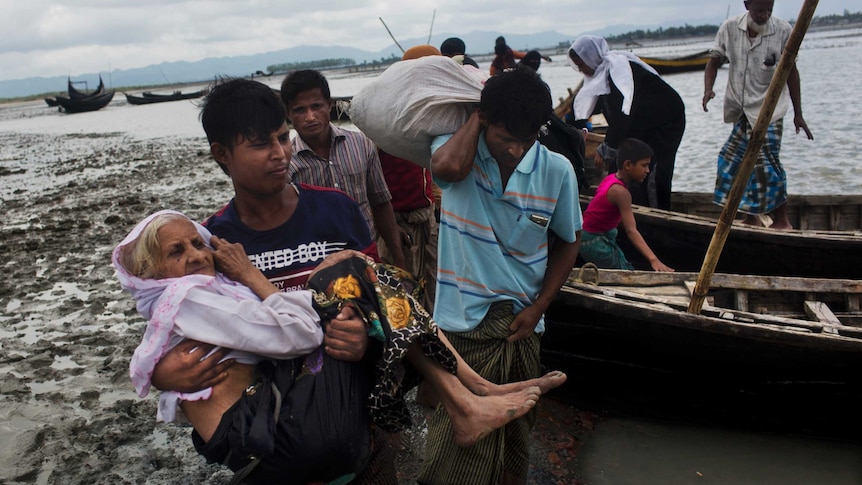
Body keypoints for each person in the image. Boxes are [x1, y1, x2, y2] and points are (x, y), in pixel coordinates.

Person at [115, 211, 565, 484]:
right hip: (281, 435)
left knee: (362, 277)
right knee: (356, 272)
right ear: (148, 273)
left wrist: (331, 299)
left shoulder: (199, 293)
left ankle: (472, 392)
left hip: (280, 426)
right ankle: (469, 394)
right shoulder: (187, 297)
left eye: (197, 242)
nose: (196, 254)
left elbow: (282, 324)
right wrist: (263, 278)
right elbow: (297, 334)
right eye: (177, 252)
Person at [150, 77, 390, 483]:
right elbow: (181, 329)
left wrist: (366, 332)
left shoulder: (337, 210)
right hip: (278, 431)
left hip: (358, 415)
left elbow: (381, 297)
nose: (281, 154)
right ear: (221, 154)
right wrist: (163, 374)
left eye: (283, 137)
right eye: (262, 144)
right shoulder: (211, 245)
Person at [419, 66, 582, 485]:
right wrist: (480, 113)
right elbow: (448, 169)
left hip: (522, 323)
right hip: (462, 322)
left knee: (515, 431)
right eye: (505, 138)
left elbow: (568, 241)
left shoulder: (557, 170)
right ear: (485, 119)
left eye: (526, 141)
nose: (514, 151)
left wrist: (540, 305)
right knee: (459, 435)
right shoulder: (457, 153)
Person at [703, 0, 813, 229]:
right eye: (759, 10)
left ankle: (782, 219)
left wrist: (798, 114)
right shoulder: (730, 28)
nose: (764, 15)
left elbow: (792, 72)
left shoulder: (782, 30)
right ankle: (750, 215)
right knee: (732, 160)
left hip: (770, 110)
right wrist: (708, 90)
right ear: (747, 5)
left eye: (768, 10)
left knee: (768, 164)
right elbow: (713, 62)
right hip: (741, 109)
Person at [279, 69, 406, 269]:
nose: (310, 117)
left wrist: (399, 261)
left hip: (367, 255)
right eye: (300, 110)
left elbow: (380, 203)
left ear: (329, 105)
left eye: (316, 106)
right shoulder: (286, 163)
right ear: (288, 114)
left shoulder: (361, 144)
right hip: (317, 265)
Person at [568, 35, 686, 211]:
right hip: (639, 123)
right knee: (622, 167)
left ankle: (657, 213)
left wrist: (606, 148)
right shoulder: (599, 74)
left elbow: (622, 116)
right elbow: (586, 105)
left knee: (652, 170)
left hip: (666, 122)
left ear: (591, 58)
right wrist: (568, 124)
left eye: (582, 64)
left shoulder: (619, 71)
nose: (580, 69)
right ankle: (625, 208)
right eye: (577, 65)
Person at [377, 44, 442, 311]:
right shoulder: (384, 116)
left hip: (427, 216)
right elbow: (371, 177)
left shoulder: (431, 111)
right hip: (398, 221)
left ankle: (434, 341)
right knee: (402, 290)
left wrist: (437, 206)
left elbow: (431, 168)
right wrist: (387, 224)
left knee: (433, 284)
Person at [580, 138, 674, 272]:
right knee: (626, 273)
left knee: (626, 267)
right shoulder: (621, 193)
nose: (647, 170)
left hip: (589, 237)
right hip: (594, 241)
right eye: (644, 165)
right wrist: (654, 260)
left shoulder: (611, 178)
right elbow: (631, 231)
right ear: (628, 165)